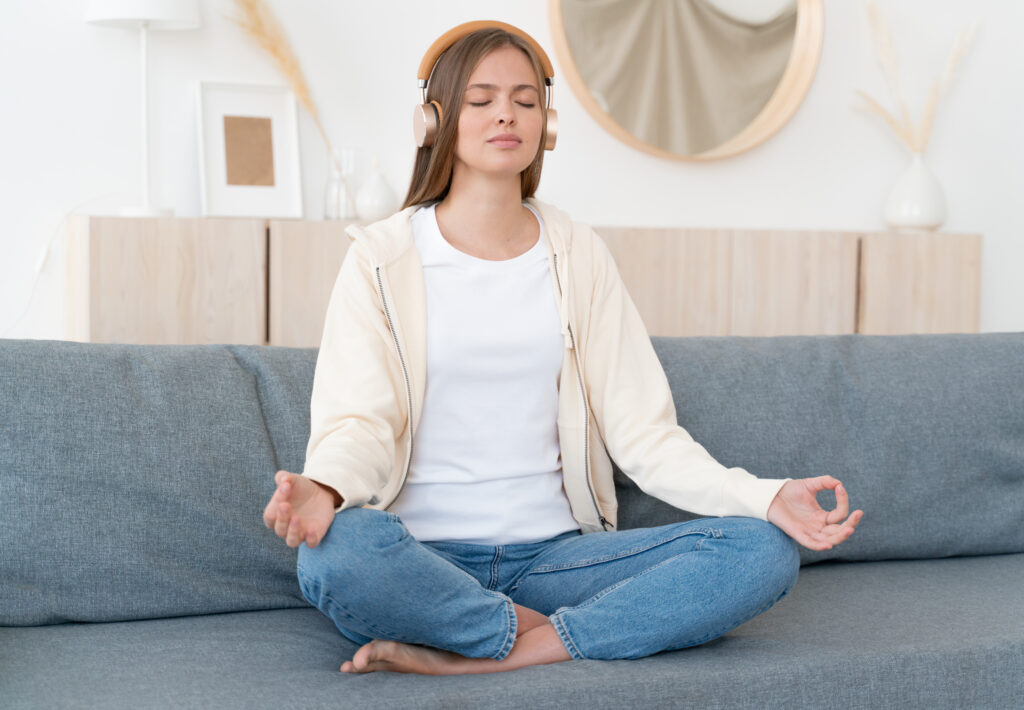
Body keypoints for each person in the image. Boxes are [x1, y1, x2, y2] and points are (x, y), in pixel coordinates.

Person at [262, 21, 862, 676]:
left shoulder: (579, 256)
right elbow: (360, 423)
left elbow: (646, 436)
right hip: (423, 558)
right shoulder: (381, 260)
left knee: (760, 552)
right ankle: (546, 631)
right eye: (482, 98)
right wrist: (324, 486)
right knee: (336, 556)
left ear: (545, 125)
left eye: (524, 100)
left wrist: (764, 497)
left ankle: (506, 648)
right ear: (433, 120)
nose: (505, 116)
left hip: (556, 561)